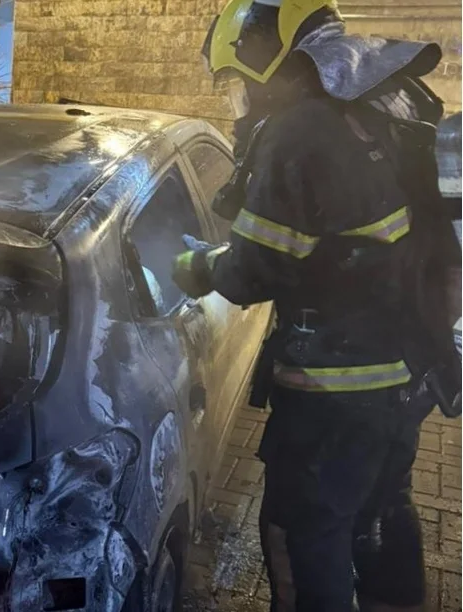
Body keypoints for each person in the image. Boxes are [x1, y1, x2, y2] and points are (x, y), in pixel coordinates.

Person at [170, 1, 461, 610]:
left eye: (238, 80)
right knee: (384, 508)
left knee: (304, 531)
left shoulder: (302, 130)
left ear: (265, 58)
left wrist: (199, 267)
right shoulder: (383, 100)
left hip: (335, 388)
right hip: (407, 368)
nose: (240, 96)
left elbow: (258, 267)